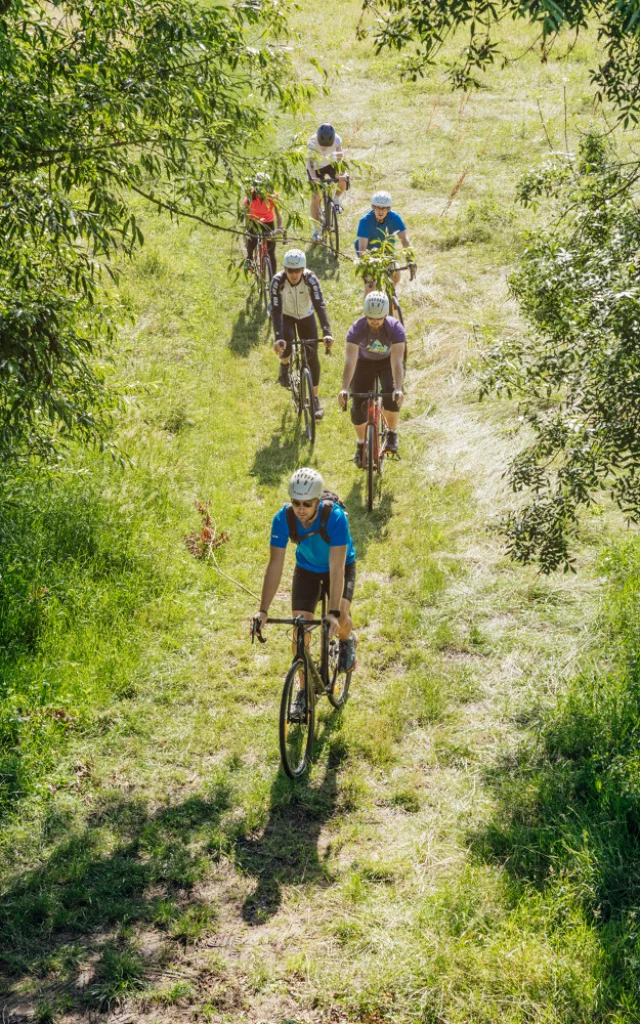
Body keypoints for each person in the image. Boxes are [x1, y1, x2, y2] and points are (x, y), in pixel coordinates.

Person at [254, 468, 357, 710]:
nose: (301, 509)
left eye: (307, 504)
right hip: (307, 569)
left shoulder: (335, 517)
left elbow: (336, 568)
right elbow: (275, 566)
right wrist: (263, 610)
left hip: (340, 566)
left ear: (318, 501)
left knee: (341, 616)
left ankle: (347, 640)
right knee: (301, 628)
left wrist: (333, 613)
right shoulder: (283, 519)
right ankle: (302, 691)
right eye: (295, 502)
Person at [338, 291, 405, 465]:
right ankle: (361, 445)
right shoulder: (356, 329)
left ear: (385, 316)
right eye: (371, 318)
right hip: (363, 362)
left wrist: (398, 387)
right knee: (358, 405)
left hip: (386, 362)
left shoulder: (395, 328)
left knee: (391, 395)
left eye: (379, 318)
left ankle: (391, 433)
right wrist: (344, 388)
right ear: (365, 315)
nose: (375, 322)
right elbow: (350, 360)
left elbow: (397, 361)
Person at [271, 249, 334, 420]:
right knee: (287, 341)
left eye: (297, 270)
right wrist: (278, 337)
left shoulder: (310, 279)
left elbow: (319, 304)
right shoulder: (277, 281)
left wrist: (327, 332)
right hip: (286, 316)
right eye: (289, 270)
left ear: (303, 269)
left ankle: (314, 399)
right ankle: (284, 366)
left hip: (307, 316)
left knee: (312, 357)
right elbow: (275, 310)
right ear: (285, 269)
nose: (293, 274)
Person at [355, 190, 414, 294]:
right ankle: (369, 306)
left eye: (384, 208)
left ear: (389, 208)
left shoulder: (395, 218)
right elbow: (362, 248)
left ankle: (390, 297)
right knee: (371, 286)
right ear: (373, 207)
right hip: (368, 253)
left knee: (396, 275)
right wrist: (367, 265)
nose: (380, 211)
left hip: (386, 251)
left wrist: (409, 260)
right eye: (377, 207)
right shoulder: (365, 221)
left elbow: (404, 239)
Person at [306, 123, 349, 244]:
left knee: (343, 180)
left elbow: (340, 157)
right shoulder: (312, 143)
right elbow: (310, 163)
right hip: (316, 167)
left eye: (327, 146)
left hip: (331, 164)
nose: (324, 148)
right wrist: (314, 177)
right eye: (322, 146)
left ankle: (336, 200)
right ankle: (316, 230)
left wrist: (341, 173)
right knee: (316, 198)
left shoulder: (337, 140)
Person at [243, 173, 283, 273]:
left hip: (268, 223)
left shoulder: (273, 197)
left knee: (271, 252)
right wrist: (247, 229)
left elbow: (278, 215)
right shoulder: (250, 197)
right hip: (253, 221)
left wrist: (280, 227)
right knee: (252, 241)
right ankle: (249, 257)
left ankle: (273, 279)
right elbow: (245, 214)